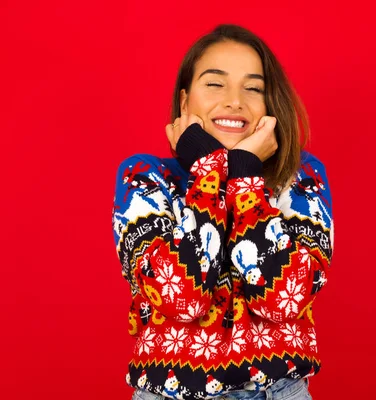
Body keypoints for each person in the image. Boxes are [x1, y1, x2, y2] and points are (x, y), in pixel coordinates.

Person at [112, 24, 334, 400]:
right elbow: (180, 298)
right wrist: (210, 170)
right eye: (215, 84)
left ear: (269, 105)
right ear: (185, 103)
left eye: (253, 88)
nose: (234, 101)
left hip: (280, 391)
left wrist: (246, 173)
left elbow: (284, 300)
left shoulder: (300, 179)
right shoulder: (145, 178)